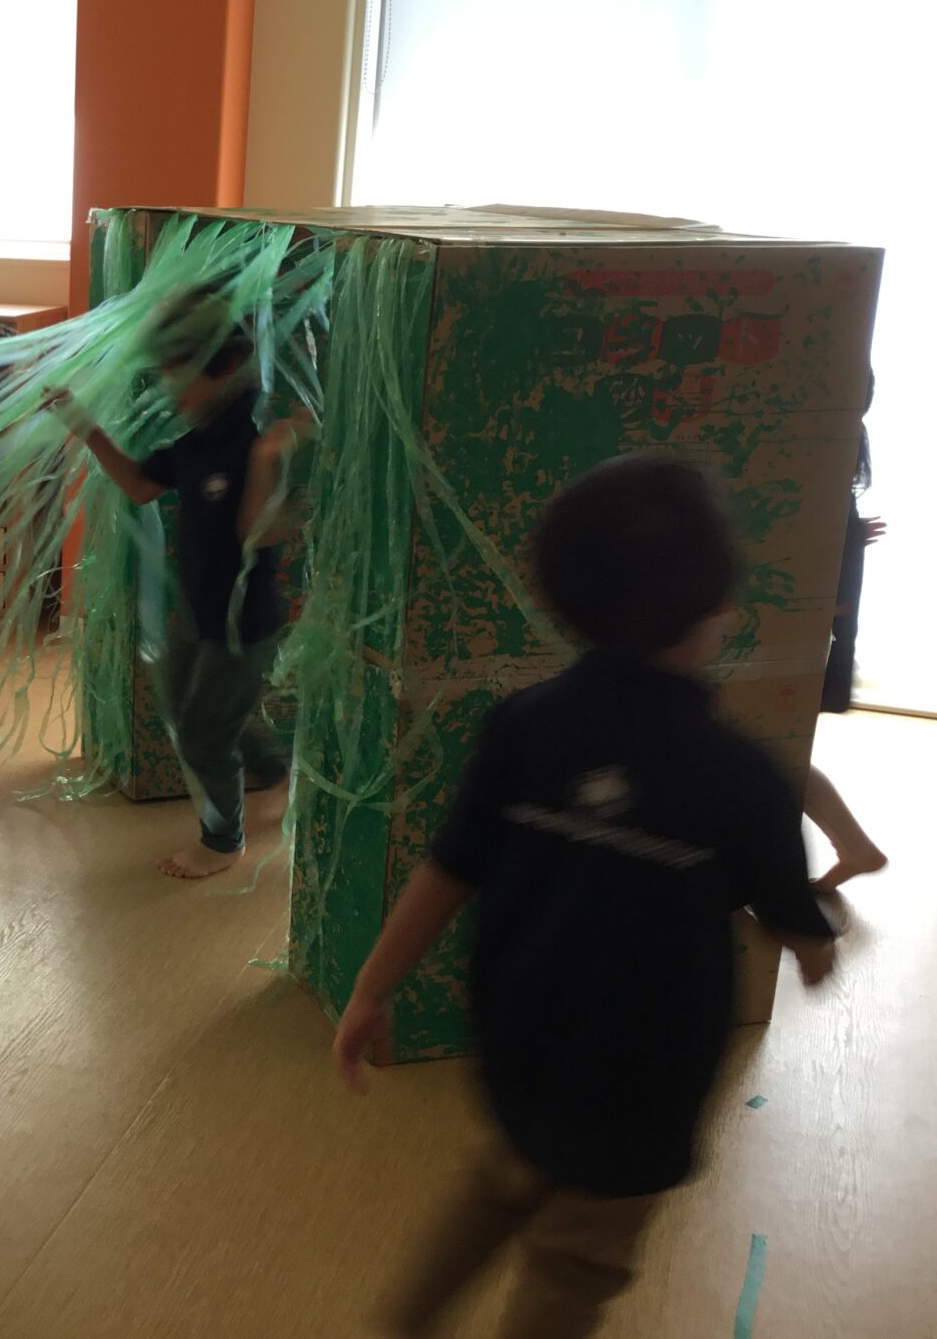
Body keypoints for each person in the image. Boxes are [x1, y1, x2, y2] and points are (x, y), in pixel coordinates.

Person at [333, 454, 836, 1339]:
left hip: (524, 1046)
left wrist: (371, 990)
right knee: (575, 1262)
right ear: (718, 607)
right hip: (644, 1086)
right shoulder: (740, 776)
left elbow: (446, 871)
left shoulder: (523, 725)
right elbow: (802, 934)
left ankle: (397, 1325)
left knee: (499, 1184)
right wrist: (817, 946)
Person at [51, 283, 310, 880]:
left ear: (219, 371)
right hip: (198, 611)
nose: (171, 389)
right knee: (182, 708)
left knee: (200, 735)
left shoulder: (253, 440)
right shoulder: (194, 445)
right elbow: (140, 485)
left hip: (243, 625)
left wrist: (265, 460)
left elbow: (260, 531)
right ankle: (275, 768)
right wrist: (84, 428)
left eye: (180, 377)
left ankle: (223, 842)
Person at [807, 370, 888, 891]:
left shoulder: (827, 445)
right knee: (775, 751)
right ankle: (853, 847)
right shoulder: (839, 443)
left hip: (817, 615)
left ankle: (853, 847)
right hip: (822, 613)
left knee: (774, 752)